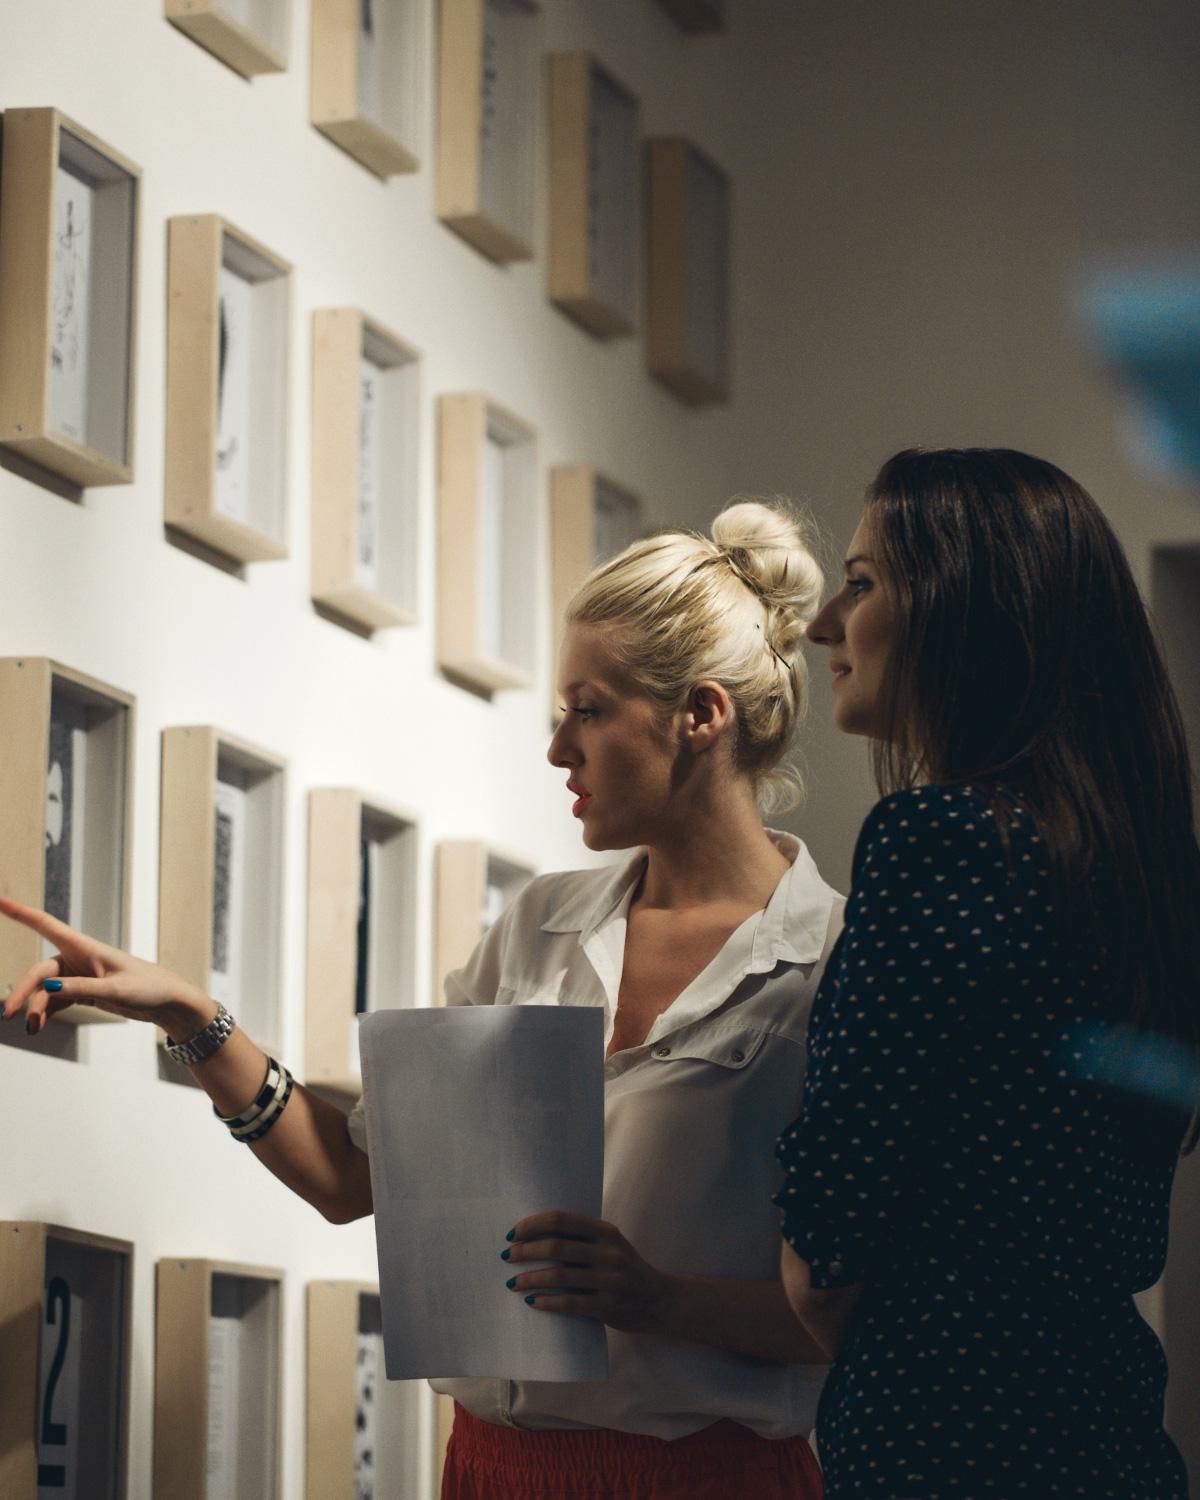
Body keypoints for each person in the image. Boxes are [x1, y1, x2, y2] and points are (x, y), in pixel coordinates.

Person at [4, 500, 844, 1500]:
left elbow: (858, 1314)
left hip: (714, 1480)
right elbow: (354, 1182)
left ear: (701, 714)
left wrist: (656, 1299)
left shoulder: (833, 964)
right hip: (490, 1469)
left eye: (588, 709)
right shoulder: (539, 925)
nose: (557, 750)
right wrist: (194, 1017)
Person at [774, 447, 1199, 1498]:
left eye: (863, 582)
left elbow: (826, 1241)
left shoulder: (939, 841)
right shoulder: (1141, 878)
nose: (826, 623)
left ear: (967, 609)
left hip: (945, 1445)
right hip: (1108, 1435)